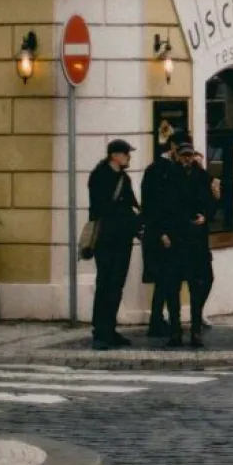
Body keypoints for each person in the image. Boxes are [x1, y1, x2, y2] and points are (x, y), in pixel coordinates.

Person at [87, 139, 141, 350]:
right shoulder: (99, 176)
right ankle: (100, 331)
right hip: (106, 238)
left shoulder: (123, 178)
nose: (129, 157)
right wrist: (124, 215)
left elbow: (132, 205)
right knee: (105, 283)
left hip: (123, 238)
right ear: (115, 156)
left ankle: (110, 328)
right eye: (126, 154)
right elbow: (101, 208)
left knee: (117, 284)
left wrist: (138, 223)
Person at [141, 131, 189, 341]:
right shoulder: (159, 170)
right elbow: (153, 204)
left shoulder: (170, 168)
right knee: (168, 278)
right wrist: (160, 232)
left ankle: (157, 320)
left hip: (169, 232)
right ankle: (165, 323)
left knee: (164, 280)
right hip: (161, 234)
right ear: (172, 147)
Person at [180, 146, 220, 348]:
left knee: (206, 279)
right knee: (178, 283)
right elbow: (170, 205)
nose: (188, 159)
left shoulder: (202, 175)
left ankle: (196, 319)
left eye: (190, 155)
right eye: (184, 156)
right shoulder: (173, 176)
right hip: (180, 238)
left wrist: (207, 214)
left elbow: (212, 204)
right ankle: (183, 329)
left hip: (200, 239)